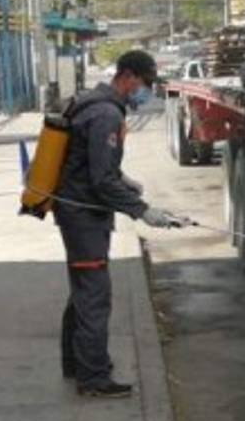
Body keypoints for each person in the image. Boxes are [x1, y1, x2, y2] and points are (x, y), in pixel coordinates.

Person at [55, 49, 179, 398]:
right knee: (94, 296)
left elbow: (94, 163)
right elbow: (101, 181)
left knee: (83, 289)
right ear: (128, 76)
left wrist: (124, 180)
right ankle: (93, 379)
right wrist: (142, 210)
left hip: (76, 210)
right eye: (146, 82)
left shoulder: (92, 103)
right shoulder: (107, 114)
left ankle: (75, 363)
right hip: (84, 216)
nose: (147, 91)